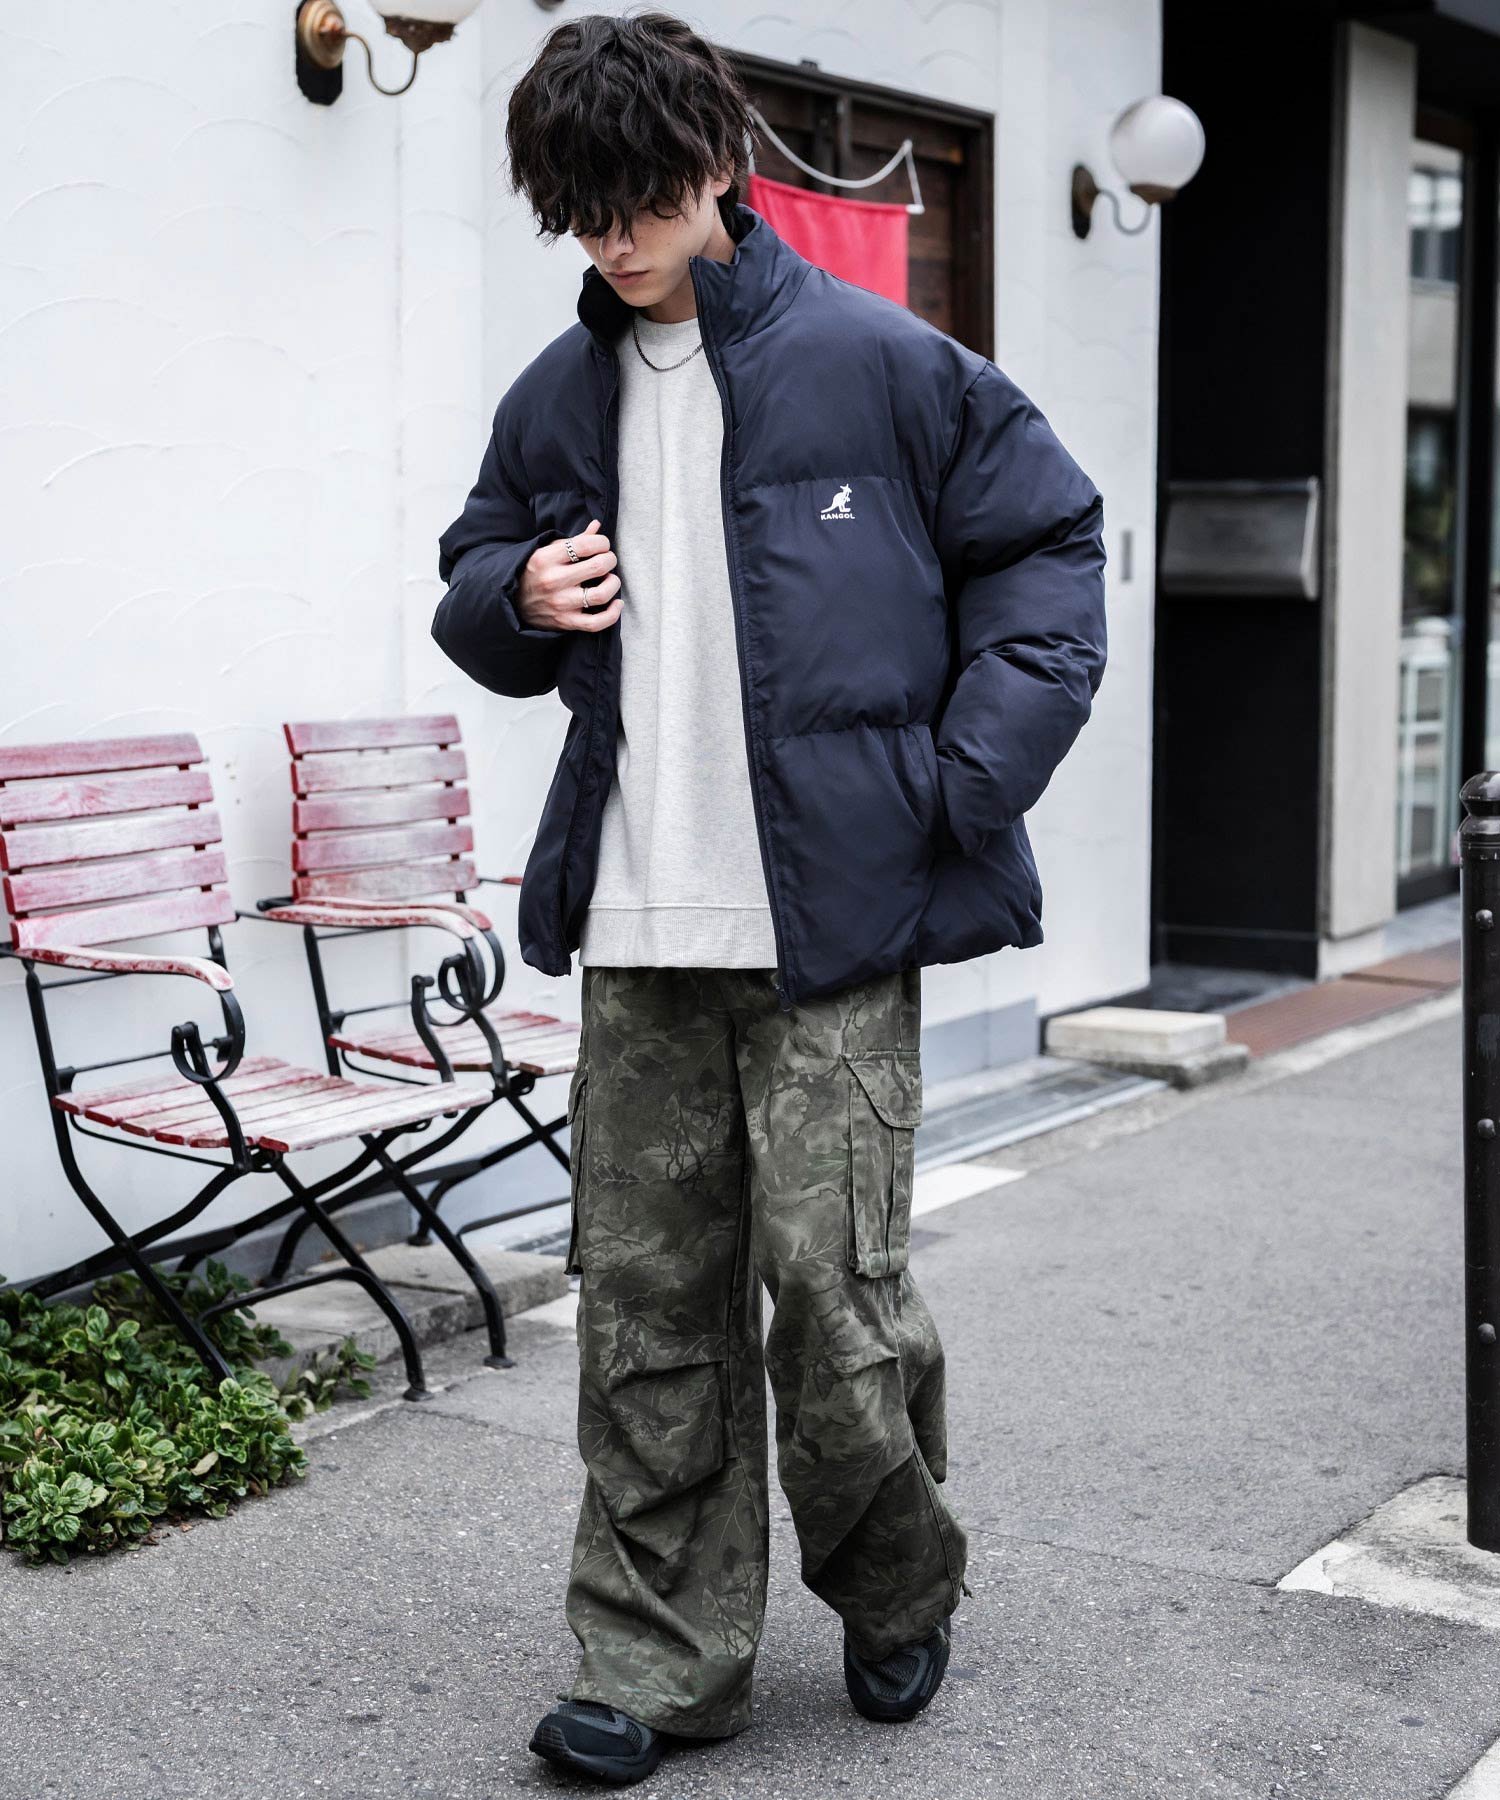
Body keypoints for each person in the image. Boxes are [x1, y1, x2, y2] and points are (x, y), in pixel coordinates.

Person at [432, 11, 1107, 1785]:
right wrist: (518, 595)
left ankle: (895, 1584)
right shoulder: (556, 395)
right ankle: (656, 1658)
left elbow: (1051, 550)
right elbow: (470, 576)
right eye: (581, 214)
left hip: (833, 927)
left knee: (835, 1302)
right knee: (645, 1311)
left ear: (718, 166)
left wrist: (954, 790)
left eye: (639, 201)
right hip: (640, 922)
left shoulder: (887, 364)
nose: (614, 241)